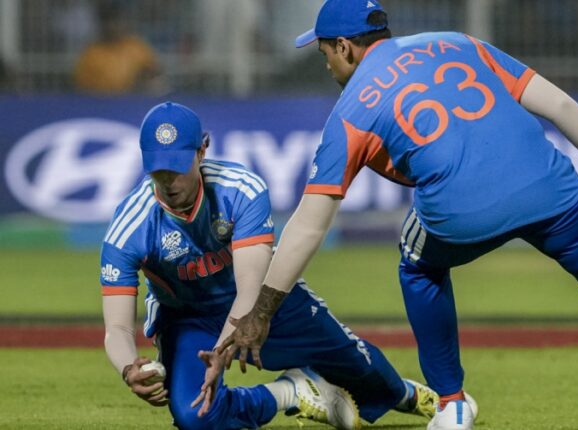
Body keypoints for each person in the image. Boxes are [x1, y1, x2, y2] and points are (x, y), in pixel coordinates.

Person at [211, 1, 578, 429]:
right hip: (548, 187)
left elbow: (309, 224)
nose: (326, 65)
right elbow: (560, 105)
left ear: (344, 47)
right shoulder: (458, 42)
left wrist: (262, 312)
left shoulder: (349, 113)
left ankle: (452, 403)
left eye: (324, 52)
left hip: (459, 213)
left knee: (418, 265)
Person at [100, 101, 474, 429]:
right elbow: (116, 327)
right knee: (195, 416)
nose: (168, 181)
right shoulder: (129, 227)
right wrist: (129, 367)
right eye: (158, 170)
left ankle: (406, 395)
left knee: (358, 367)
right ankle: (292, 392)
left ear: (202, 150)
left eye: (177, 167)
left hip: (264, 303)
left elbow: (249, 289)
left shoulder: (240, 191)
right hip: (187, 319)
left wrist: (221, 352)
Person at [74, 2, 164, 94]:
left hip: (134, 99)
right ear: (102, 25)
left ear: (124, 23)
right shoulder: (91, 53)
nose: (112, 27)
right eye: (108, 22)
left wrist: (145, 82)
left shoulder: (137, 47)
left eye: (117, 22)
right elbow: (81, 87)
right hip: (99, 100)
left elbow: (155, 74)